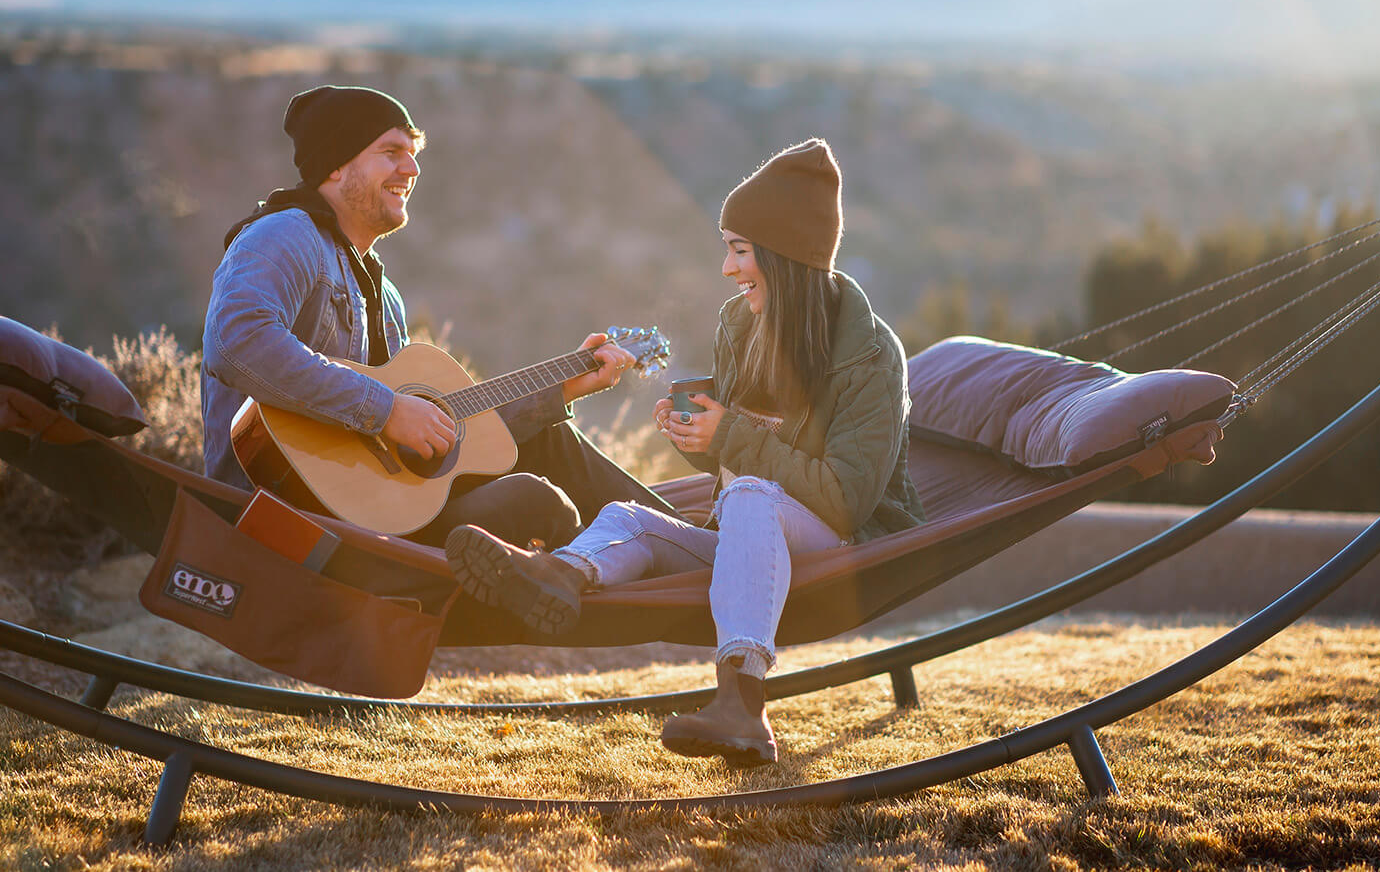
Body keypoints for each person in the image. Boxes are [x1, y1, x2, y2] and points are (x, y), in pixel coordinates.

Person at [444, 138, 926, 765]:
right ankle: (555, 575)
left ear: (783, 256)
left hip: (847, 544)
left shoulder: (868, 354)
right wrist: (701, 441)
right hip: (753, 531)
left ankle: (743, 706)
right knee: (626, 518)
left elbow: (844, 500)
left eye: (739, 250)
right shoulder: (742, 325)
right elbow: (746, 461)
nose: (727, 268)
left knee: (751, 496)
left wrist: (729, 437)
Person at [202, 84, 676, 549]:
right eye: (390, 152)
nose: (410, 168)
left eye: (412, 153)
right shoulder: (284, 234)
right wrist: (385, 409)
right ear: (336, 165)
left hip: (375, 508)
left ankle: (693, 545)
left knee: (551, 440)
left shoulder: (384, 297)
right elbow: (237, 342)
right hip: (294, 513)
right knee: (535, 501)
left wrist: (562, 387)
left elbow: (444, 438)